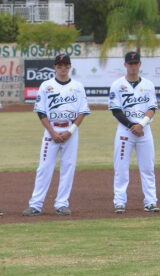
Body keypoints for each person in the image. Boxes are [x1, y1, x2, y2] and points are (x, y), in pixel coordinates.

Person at [23, 54, 90, 216]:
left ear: (70, 66)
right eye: (60, 65)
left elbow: (82, 111)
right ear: (55, 67)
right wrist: (52, 132)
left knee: (68, 167)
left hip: (70, 130)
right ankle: (36, 205)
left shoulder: (77, 86)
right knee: (44, 168)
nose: (63, 68)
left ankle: (61, 203)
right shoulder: (46, 86)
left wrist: (70, 131)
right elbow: (40, 111)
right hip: (51, 130)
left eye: (66, 65)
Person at [109, 51, 160, 214]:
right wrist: (133, 125)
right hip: (125, 131)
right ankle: (119, 201)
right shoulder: (117, 85)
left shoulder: (148, 84)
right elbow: (116, 111)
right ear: (125, 65)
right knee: (121, 168)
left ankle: (151, 201)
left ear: (139, 64)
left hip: (144, 131)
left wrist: (142, 124)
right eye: (130, 63)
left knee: (148, 168)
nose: (133, 66)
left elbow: (152, 108)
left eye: (135, 63)